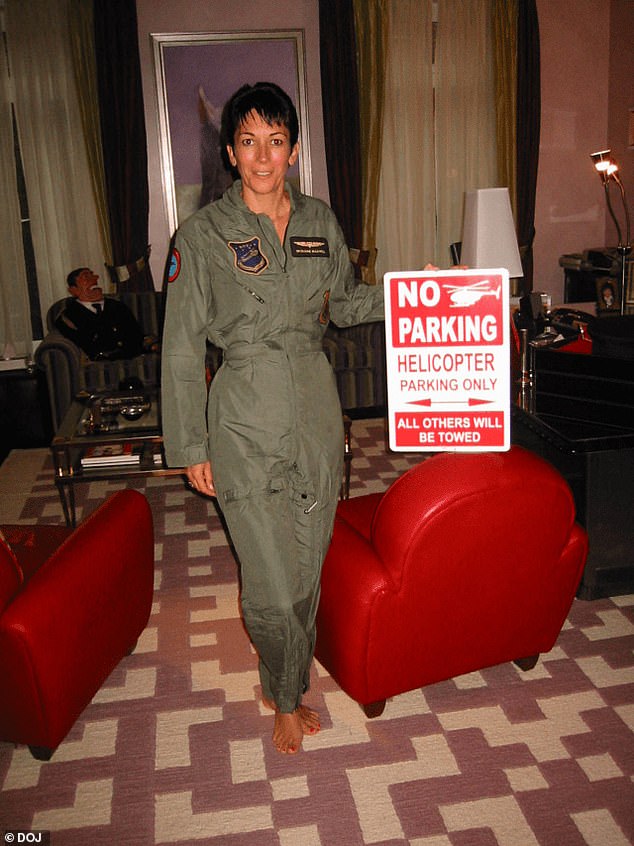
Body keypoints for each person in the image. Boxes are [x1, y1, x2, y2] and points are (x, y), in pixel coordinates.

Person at [160, 82, 384, 755]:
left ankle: (282, 674)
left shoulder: (320, 220)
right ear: (231, 153)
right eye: (249, 142)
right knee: (271, 581)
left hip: (316, 409)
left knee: (307, 563)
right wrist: (191, 445)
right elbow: (180, 346)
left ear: (293, 150)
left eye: (276, 141)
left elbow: (345, 303)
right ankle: (286, 695)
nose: (263, 156)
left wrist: (414, 293)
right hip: (242, 417)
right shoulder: (201, 234)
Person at [55, 267, 145, 360]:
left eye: (93, 275)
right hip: (102, 361)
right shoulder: (68, 316)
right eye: (86, 277)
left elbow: (136, 334)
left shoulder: (117, 306)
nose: (96, 277)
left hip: (133, 356)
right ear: (74, 290)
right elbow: (86, 344)